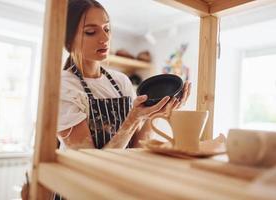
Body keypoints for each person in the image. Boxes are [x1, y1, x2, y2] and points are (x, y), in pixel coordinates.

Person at [57, 0, 191, 151]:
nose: (105, 39)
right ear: (68, 41)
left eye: (107, 29)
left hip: (120, 170)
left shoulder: (121, 81)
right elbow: (89, 161)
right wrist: (132, 119)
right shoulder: (62, 86)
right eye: (91, 32)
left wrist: (155, 114)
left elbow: (136, 147)